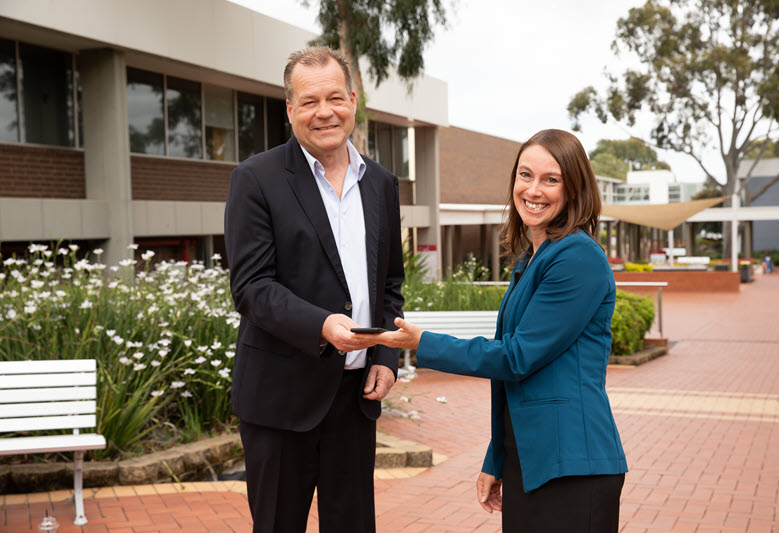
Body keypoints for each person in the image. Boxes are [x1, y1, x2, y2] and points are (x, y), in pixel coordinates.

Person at [364, 129, 628, 532]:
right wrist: (497, 459)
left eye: (550, 179)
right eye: (525, 175)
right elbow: (520, 382)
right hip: (533, 458)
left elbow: (517, 357)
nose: (533, 190)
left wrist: (424, 343)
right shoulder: (533, 259)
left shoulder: (577, 258)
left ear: (574, 190)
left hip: (574, 464)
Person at [224, 46, 404, 533]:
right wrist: (322, 324)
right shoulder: (255, 180)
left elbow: (389, 285)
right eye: (308, 101)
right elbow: (251, 287)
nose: (324, 112)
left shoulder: (381, 184)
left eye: (334, 98)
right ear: (289, 109)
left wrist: (386, 360)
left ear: (352, 99)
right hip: (280, 402)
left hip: (354, 401)